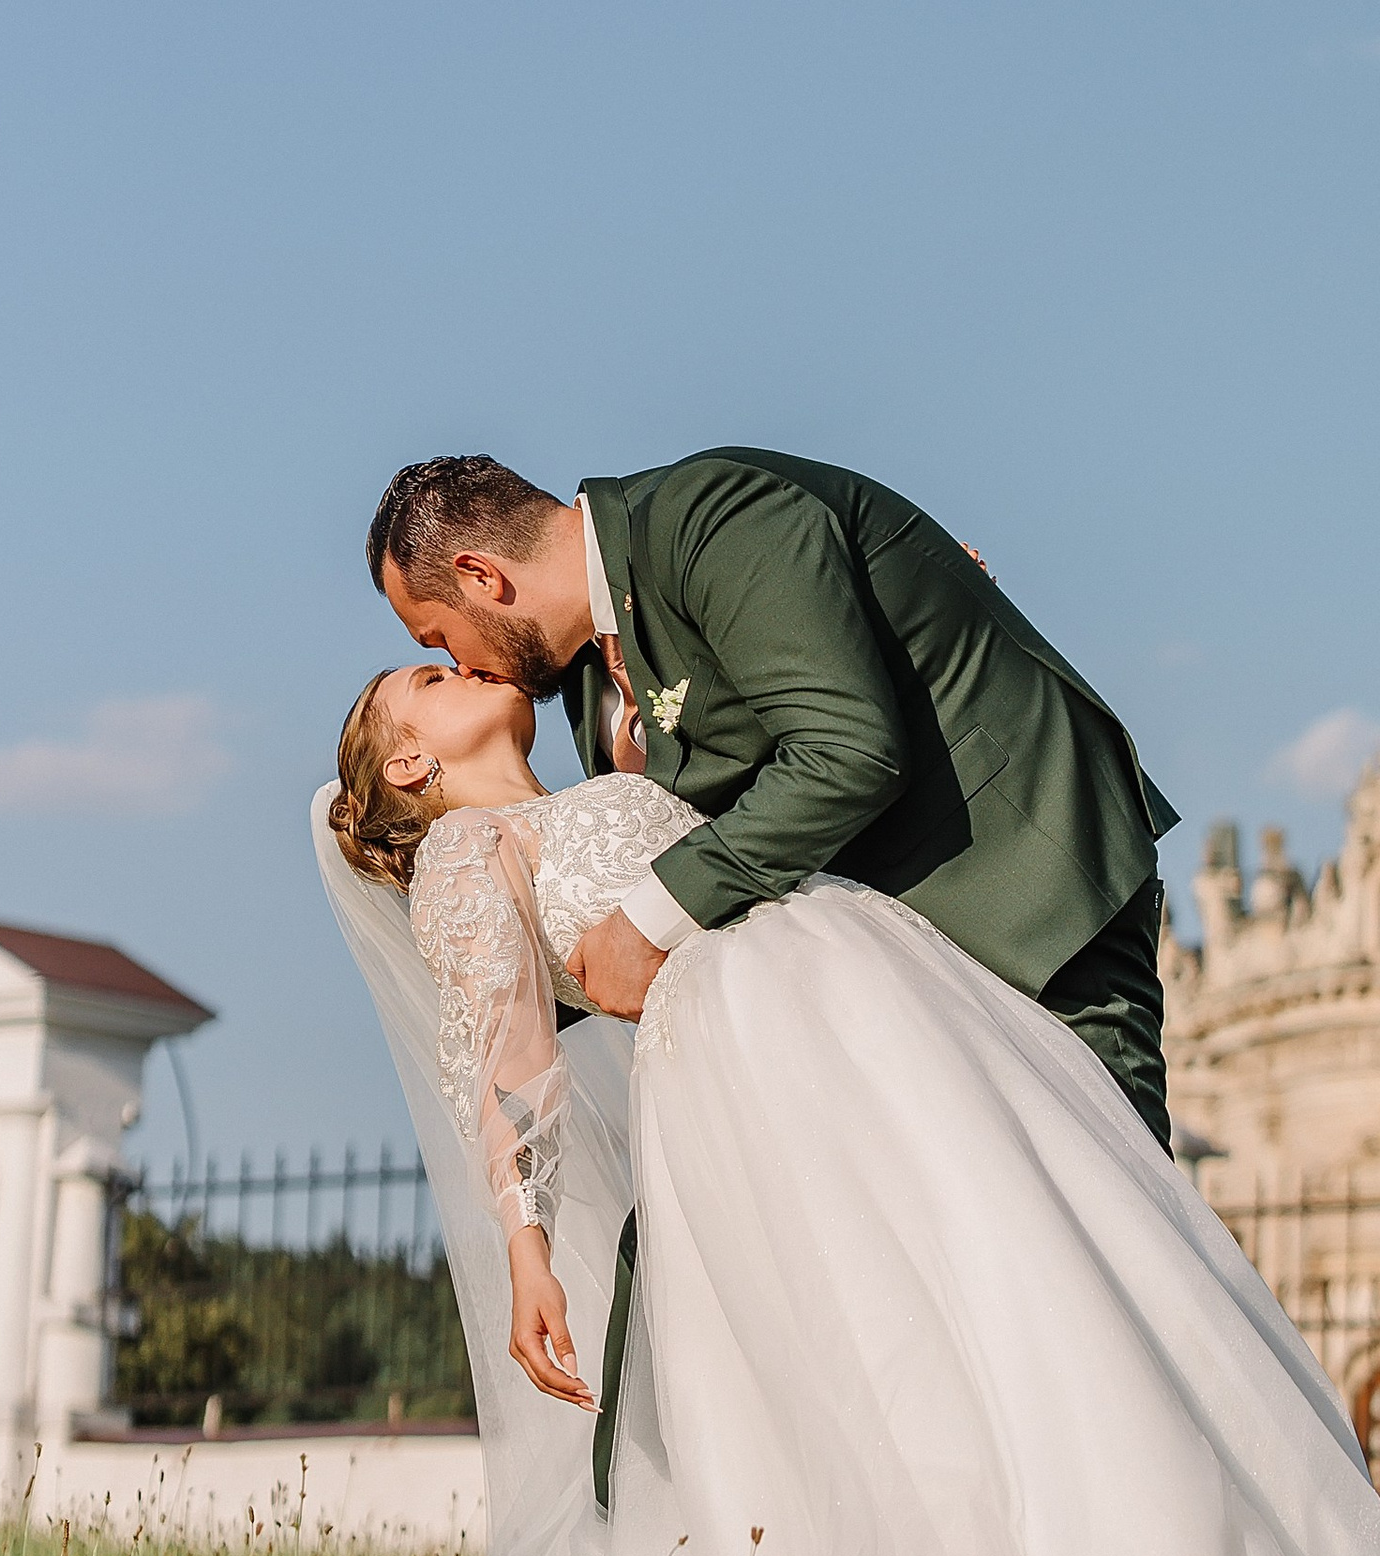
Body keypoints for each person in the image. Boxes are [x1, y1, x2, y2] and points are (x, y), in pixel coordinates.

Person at [320, 656, 1380, 1556]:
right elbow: (507, 1055)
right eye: (422, 681)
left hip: (860, 994)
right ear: (412, 765)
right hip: (756, 1061)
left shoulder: (600, 778)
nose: (455, 662)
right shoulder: (469, 853)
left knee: (1016, 1299)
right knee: (907, 1349)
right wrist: (527, 1247)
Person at [366, 449, 1177, 1146]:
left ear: (481, 575)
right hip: (877, 999)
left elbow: (847, 754)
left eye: (438, 638)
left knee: (1106, 1232)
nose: (462, 664)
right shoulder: (586, 677)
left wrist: (647, 919)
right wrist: (478, 936)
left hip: (1022, 908)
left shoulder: (710, 518)